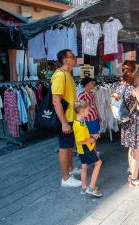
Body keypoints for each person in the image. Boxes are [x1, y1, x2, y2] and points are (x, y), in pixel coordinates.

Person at [115, 61, 139, 187]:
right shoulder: (135, 89)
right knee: (137, 151)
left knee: (131, 148)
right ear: (134, 73)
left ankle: (131, 173)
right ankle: (134, 179)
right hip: (135, 123)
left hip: (125, 122)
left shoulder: (119, 87)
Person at [52, 49, 81, 187]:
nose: (75, 58)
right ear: (65, 59)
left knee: (69, 146)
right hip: (64, 118)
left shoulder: (68, 74)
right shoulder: (59, 75)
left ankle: (70, 169)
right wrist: (64, 123)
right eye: (72, 56)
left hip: (71, 116)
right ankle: (65, 178)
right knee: (64, 147)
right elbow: (56, 101)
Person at [73, 100, 103, 196]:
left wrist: (91, 134)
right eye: (87, 110)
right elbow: (80, 140)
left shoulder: (78, 122)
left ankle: (84, 187)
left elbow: (82, 136)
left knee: (84, 166)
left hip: (81, 150)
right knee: (98, 163)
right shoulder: (80, 125)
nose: (89, 112)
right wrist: (92, 139)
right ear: (82, 111)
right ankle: (91, 187)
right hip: (86, 148)